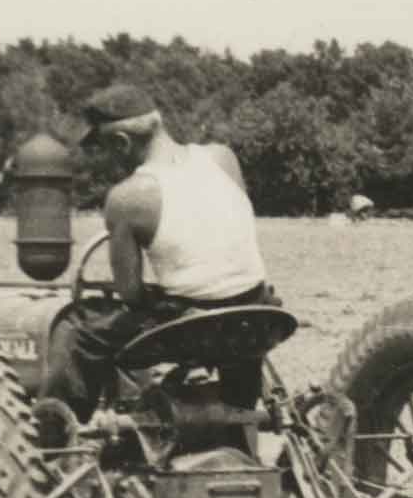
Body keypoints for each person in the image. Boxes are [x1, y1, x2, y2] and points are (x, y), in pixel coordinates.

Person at [41, 83, 271, 422]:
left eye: (103, 148)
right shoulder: (222, 157)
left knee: (76, 328)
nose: (103, 158)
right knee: (234, 307)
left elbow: (130, 294)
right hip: (256, 314)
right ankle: (240, 413)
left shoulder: (127, 197)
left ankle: (56, 440)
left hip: (195, 329)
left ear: (121, 143)